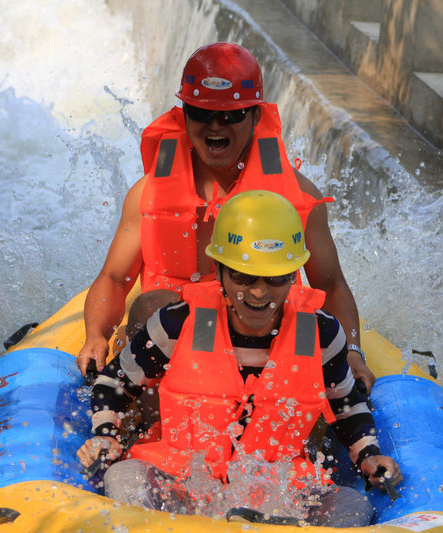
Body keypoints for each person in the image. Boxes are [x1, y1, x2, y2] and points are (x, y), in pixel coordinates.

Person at [77, 191, 401, 527]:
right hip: (183, 480)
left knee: (353, 505)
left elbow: (347, 406)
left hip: (279, 489)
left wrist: (368, 454)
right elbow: (115, 379)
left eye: (275, 278)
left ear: (293, 275)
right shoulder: (178, 322)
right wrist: (106, 433)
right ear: (219, 272)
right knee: (124, 478)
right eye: (244, 277)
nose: (259, 292)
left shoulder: (321, 333)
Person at [76, 42, 374, 390]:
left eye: (231, 116)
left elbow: (330, 284)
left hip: (265, 337)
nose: (215, 126)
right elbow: (114, 278)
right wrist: (95, 334)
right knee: (148, 305)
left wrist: (352, 352)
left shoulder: (298, 197)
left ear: (256, 116)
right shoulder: (147, 193)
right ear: (183, 114)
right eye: (201, 113)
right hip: (169, 343)